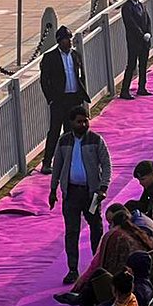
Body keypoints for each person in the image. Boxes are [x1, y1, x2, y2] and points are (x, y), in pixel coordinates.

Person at [49, 105, 112, 285]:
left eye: (86, 120)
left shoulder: (96, 140)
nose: (83, 124)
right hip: (71, 194)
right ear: (71, 123)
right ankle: (72, 270)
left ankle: (97, 267)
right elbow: (57, 167)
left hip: (91, 194)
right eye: (79, 121)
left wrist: (103, 187)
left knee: (96, 230)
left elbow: (107, 165)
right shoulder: (63, 141)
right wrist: (53, 190)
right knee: (72, 233)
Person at [39, 25, 89, 174]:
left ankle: (69, 161)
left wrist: (81, 95)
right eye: (67, 39)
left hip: (74, 99)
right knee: (54, 131)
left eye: (70, 38)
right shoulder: (50, 57)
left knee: (72, 132)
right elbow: (44, 81)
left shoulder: (75, 55)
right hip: (59, 100)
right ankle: (47, 162)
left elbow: (81, 76)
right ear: (60, 41)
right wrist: (51, 99)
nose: (70, 42)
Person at [120, 0, 152, 99]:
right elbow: (131, 24)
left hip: (144, 41)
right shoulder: (127, 8)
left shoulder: (141, 5)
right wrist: (141, 34)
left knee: (143, 65)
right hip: (134, 42)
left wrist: (148, 32)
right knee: (131, 65)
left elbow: (147, 20)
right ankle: (125, 90)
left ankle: (142, 87)